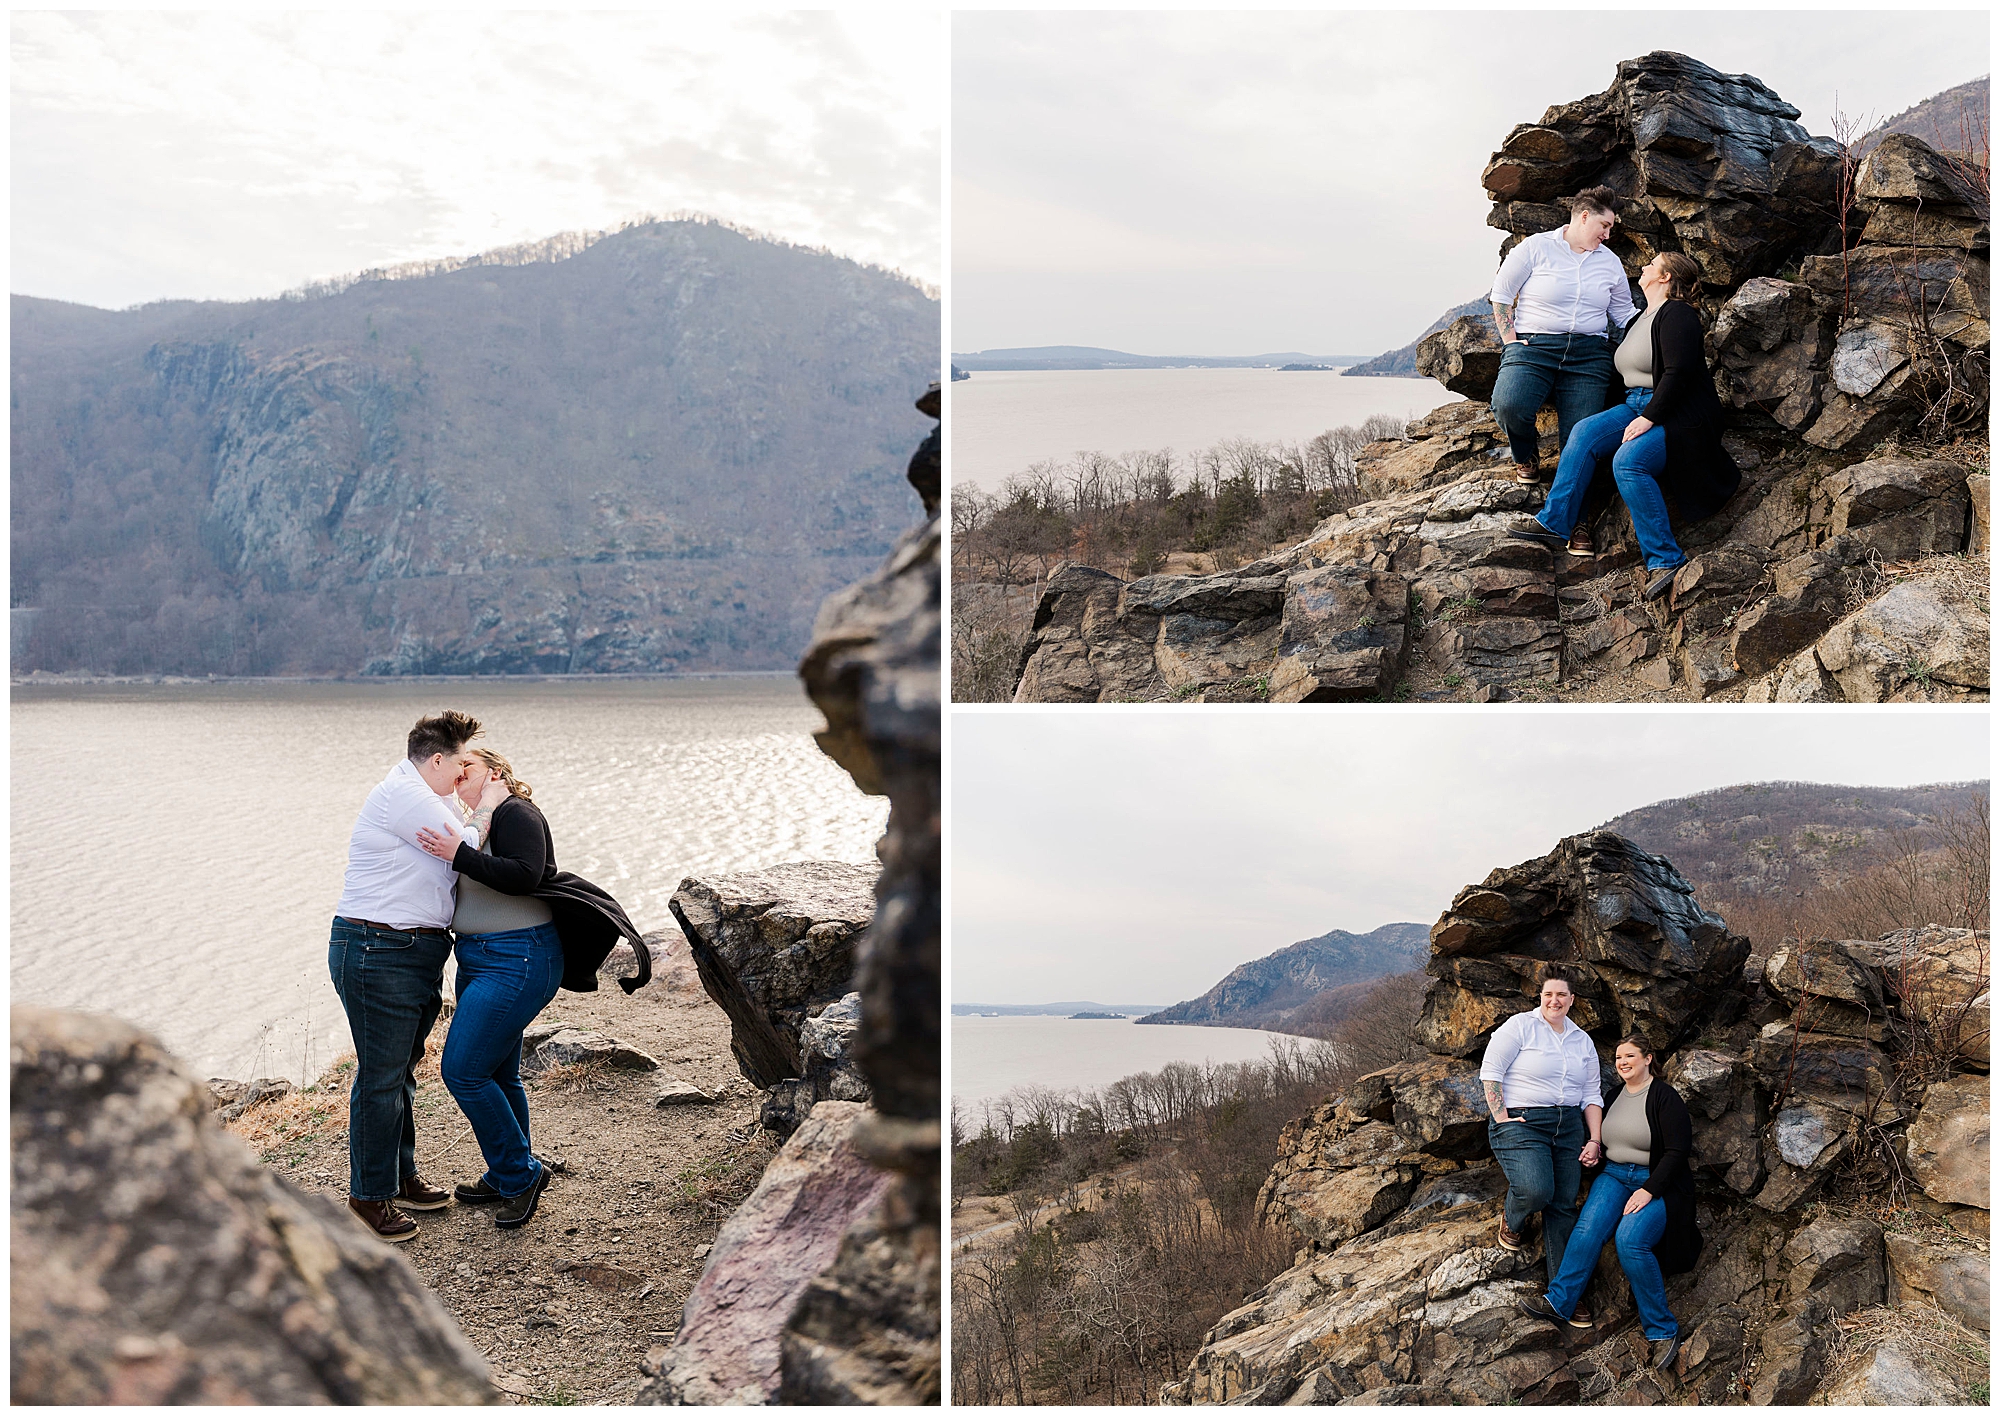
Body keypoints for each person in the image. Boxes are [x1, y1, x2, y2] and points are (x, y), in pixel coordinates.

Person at [415, 747, 653, 1230]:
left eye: (470, 769)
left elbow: (527, 876)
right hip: (480, 958)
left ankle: (520, 1175)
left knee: (462, 1071)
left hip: (518, 958)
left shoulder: (515, 812)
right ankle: (507, 1170)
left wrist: (458, 855)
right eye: (455, 770)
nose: (460, 776)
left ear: (496, 774)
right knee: (499, 1074)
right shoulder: (478, 822)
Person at [329, 710, 503, 1242]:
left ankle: (399, 1178)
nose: (463, 775)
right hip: (377, 948)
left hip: (409, 950)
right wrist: (490, 807)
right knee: (381, 1077)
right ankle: (368, 1195)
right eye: (459, 764)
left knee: (401, 1070)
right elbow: (465, 851)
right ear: (435, 759)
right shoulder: (408, 798)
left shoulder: (427, 795)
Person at [1508, 250, 1743, 601]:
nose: (1644, 266)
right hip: (1635, 404)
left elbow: (1678, 375)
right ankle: (1555, 523)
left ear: (1665, 277)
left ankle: (1665, 559)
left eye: (1653, 263)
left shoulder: (1678, 314)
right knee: (1584, 432)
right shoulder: (1639, 319)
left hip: (1677, 413)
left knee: (1628, 461)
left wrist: (1650, 418)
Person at [1517, 1037, 1699, 1372]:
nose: (1622, 1061)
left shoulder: (1664, 1097)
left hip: (1655, 1182)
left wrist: (1649, 1189)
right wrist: (1594, 1149)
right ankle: (1559, 1302)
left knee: (1630, 1241)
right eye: (1618, 1056)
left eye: (1630, 1055)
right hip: (1614, 1175)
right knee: (1587, 1229)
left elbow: (1677, 1151)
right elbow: (1601, 1137)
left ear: (1648, 1058)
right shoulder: (1612, 1097)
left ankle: (1662, 1331)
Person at [1488, 187, 1636, 496]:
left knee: (1580, 440)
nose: (1608, 235)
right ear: (1584, 217)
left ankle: (1575, 520)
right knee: (1508, 405)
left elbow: (1624, 314)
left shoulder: (1610, 263)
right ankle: (1525, 456)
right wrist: (1511, 341)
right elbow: (1502, 295)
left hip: (1589, 356)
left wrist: (1664, 321)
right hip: (1534, 347)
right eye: (1605, 226)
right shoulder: (1535, 248)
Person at [1479, 975, 1605, 1323]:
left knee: (1564, 1207)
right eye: (1549, 994)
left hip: (1569, 1128)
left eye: (1561, 994)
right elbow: (1492, 1072)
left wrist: (1594, 1139)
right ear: (1541, 996)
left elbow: (1592, 1094)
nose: (1555, 1000)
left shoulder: (1582, 1041)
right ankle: (1514, 1219)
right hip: (1523, 1121)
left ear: (1572, 999)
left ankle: (1564, 1296)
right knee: (1537, 1190)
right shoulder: (1520, 1026)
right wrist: (1501, 1116)